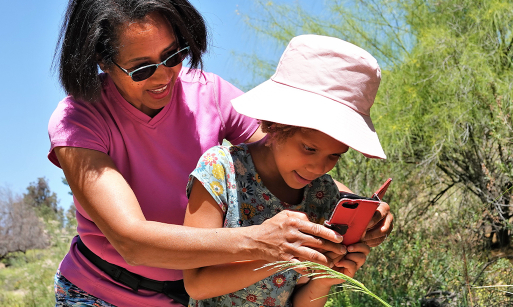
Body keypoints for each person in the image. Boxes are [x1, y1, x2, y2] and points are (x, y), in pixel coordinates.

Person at [48, 0, 393, 306]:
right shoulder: (78, 122)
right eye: (142, 68)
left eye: (173, 55)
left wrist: (361, 208)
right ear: (101, 61)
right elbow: (131, 241)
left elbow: (286, 155)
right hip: (100, 294)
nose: (164, 75)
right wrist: (261, 242)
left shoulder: (209, 93)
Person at [183, 34, 386, 307]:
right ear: (276, 125)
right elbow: (196, 284)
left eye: (335, 155)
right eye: (309, 148)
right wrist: (277, 258)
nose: (320, 167)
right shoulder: (221, 171)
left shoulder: (322, 194)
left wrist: (327, 277)